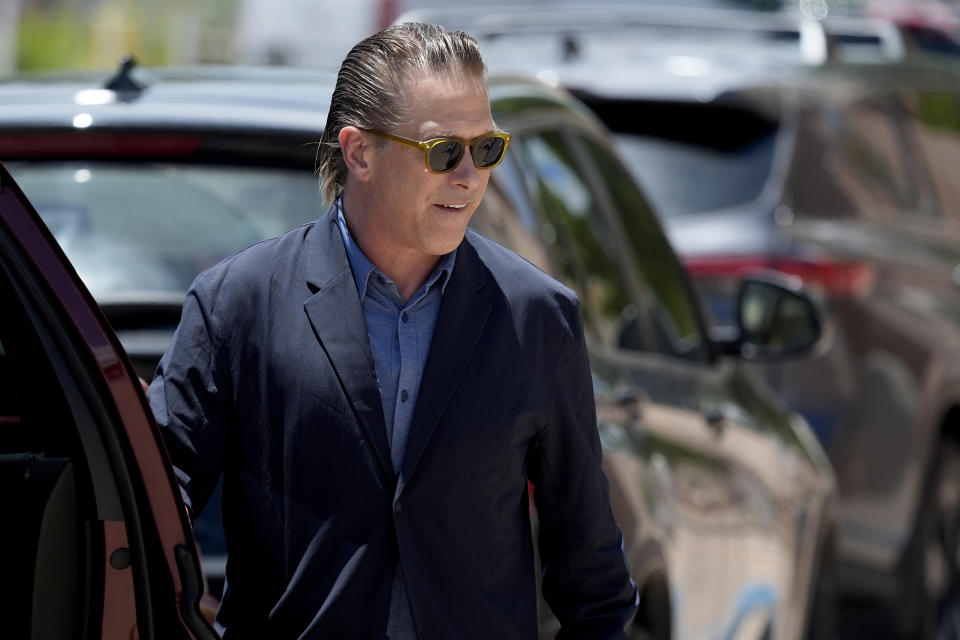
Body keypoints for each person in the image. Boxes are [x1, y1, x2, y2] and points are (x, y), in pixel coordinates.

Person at [148, 22, 638, 639]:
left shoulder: (537, 317)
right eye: (442, 152)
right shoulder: (237, 303)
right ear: (359, 153)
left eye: (486, 149)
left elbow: (594, 577)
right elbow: (149, 505)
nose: (469, 177)